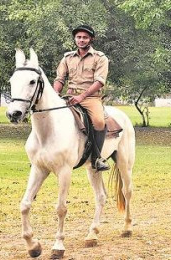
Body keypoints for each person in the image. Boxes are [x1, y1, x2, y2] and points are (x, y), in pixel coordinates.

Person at [53, 25, 110, 171]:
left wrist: (82, 96)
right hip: (70, 96)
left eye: (85, 37)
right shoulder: (67, 57)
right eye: (79, 37)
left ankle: (97, 158)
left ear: (91, 39)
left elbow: (99, 81)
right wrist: (54, 95)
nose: (81, 40)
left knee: (98, 121)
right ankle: (44, 154)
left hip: (90, 97)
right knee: (49, 116)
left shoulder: (100, 58)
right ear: (75, 39)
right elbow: (60, 79)